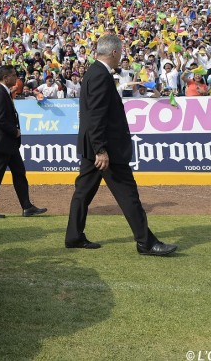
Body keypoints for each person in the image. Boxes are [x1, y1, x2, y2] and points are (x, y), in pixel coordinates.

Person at [64, 34, 177, 256]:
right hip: (106, 149)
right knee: (128, 194)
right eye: (121, 52)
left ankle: (74, 236)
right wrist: (101, 149)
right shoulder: (99, 75)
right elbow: (96, 116)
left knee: (83, 193)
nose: (122, 56)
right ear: (114, 52)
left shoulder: (94, 72)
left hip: (93, 146)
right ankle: (146, 242)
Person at [0, 65, 47, 219]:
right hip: (2, 142)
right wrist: (14, 131)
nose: (16, 78)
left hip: (8, 143)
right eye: (14, 75)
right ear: (5, 77)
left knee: (19, 173)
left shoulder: (4, 92)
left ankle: (27, 206)